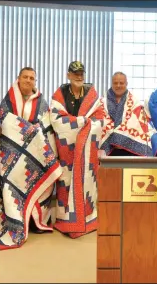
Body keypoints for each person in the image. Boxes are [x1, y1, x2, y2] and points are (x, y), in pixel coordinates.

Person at [0, 67, 62, 250]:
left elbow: (45, 126)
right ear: (18, 79)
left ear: (35, 81)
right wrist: (27, 130)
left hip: (35, 156)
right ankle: (16, 221)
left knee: (44, 184)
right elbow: (5, 121)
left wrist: (30, 132)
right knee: (12, 186)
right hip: (13, 156)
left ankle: (36, 222)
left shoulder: (41, 102)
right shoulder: (8, 99)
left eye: (32, 78)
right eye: (25, 77)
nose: (28, 80)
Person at [50, 61, 105, 238]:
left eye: (81, 73)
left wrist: (82, 125)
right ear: (68, 75)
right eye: (75, 73)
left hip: (87, 148)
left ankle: (86, 216)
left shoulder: (92, 94)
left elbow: (100, 119)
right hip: (66, 147)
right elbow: (57, 118)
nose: (79, 76)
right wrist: (81, 123)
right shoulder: (60, 93)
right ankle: (64, 219)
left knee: (87, 179)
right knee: (65, 180)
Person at [100, 72, 152, 157]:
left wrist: (117, 136)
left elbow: (136, 123)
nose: (118, 85)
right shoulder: (102, 102)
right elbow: (101, 121)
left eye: (121, 83)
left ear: (126, 84)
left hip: (129, 149)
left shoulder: (135, 102)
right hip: (107, 147)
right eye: (115, 83)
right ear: (112, 84)